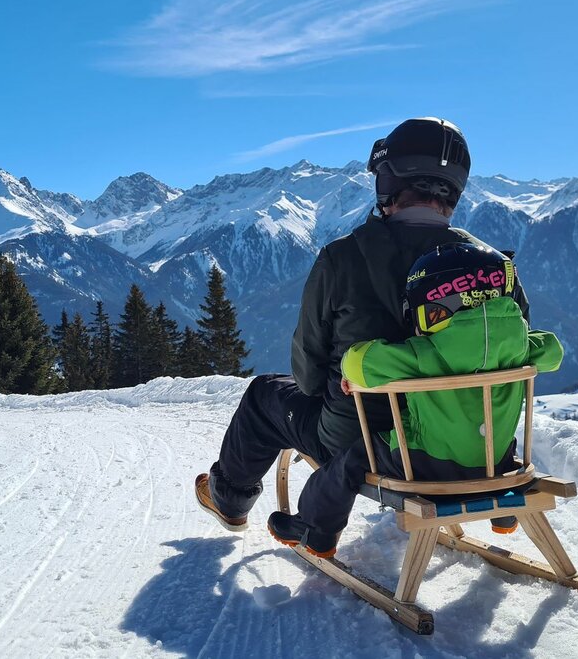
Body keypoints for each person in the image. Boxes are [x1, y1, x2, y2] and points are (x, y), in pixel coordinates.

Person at [195, 117, 530, 535]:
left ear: (388, 182)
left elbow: (307, 375)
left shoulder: (343, 259)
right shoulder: (493, 268)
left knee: (264, 394)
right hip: (470, 446)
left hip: (364, 444)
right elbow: (512, 351)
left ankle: (230, 499)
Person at [266, 242, 564, 557]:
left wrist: (359, 369)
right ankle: (503, 514)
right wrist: (519, 340)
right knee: (495, 438)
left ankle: (316, 531)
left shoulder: (425, 353)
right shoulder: (521, 346)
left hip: (425, 467)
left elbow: (357, 362)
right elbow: (553, 350)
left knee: (349, 462)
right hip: (496, 464)